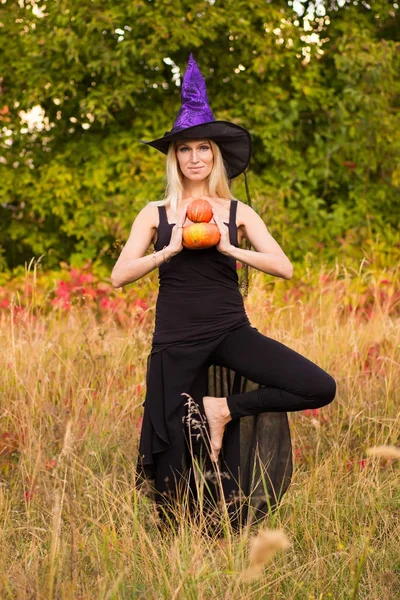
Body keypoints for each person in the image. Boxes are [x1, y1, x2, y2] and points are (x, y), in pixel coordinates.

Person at [111, 54, 336, 532]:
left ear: (216, 156)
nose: (195, 158)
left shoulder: (238, 211)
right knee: (172, 471)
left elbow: (284, 267)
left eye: (203, 149)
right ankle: (183, 553)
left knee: (319, 386)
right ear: (175, 158)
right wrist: (168, 250)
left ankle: (224, 408)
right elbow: (119, 275)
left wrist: (231, 246)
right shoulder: (155, 213)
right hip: (174, 343)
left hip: (231, 331)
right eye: (185, 150)